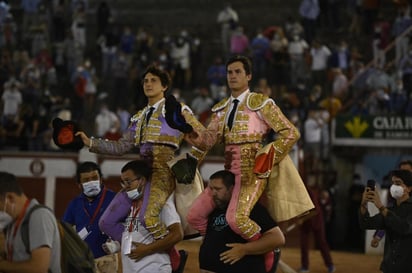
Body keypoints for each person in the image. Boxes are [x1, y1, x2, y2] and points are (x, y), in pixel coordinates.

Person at [170, 55, 312, 272]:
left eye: (238, 72)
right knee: (195, 214)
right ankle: (217, 244)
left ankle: (266, 252)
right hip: (228, 174)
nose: (233, 76)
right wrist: (188, 123)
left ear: (248, 76)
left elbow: (291, 133)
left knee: (236, 219)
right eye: (229, 72)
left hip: (252, 172)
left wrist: (269, 153)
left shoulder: (261, 103)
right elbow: (207, 140)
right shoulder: (222, 108)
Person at [75, 65, 205, 266]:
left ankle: (174, 259)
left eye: (153, 80)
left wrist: (192, 160)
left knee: (149, 218)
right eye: (145, 81)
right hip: (139, 173)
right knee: (106, 222)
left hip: (163, 171)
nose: (148, 84)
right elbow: (121, 147)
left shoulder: (177, 110)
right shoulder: (138, 117)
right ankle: (133, 245)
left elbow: (203, 139)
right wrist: (90, 142)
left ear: (164, 86)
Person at [99, 160, 186, 273]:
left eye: (128, 182)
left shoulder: (161, 204)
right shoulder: (131, 207)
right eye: (123, 183)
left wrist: (147, 249)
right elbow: (137, 236)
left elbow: (177, 234)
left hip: (155, 269)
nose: (125, 187)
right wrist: (117, 245)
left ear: (142, 180)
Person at [196, 170, 285, 273]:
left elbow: (277, 238)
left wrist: (245, 249)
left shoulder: (250, 208)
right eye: (211, 189)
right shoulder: (214, 208)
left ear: (231, 189)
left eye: (218, 189)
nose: (213, 193)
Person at [0, 171, 61, 273]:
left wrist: (2, 265)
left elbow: (39, 268)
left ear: (10, 198)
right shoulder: (14, 222)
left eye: (0, 207)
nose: (2, 212)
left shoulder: (39, 216)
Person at [62, 161, 118, 273]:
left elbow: (132, 223)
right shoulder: (74, 204)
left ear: (101, 179)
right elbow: (64, 232)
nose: (91, 182)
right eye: (86, 180)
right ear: (79, 185)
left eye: (94, 178)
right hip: (83, 263)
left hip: (109, 261)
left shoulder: (115, 199)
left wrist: (118, 245)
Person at [359, 169, 412, 273]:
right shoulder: (390, 210)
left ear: (409, 188)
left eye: (398, 183)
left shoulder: (388, 211)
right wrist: (363, 204)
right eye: (393, 183)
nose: (394, 186)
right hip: (389, 267)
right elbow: (366, 223)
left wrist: (381, 207)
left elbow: (404, 227)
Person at [370, 159, 412, 248]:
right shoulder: (395, 193)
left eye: (407, 171)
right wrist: (378, 236)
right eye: (401, 171)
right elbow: (389, 215)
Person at [298, 175, 335, 273]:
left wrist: (302, 219)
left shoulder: (309, 192)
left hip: (316, 221)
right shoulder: (296, 194)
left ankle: (330, 265)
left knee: (321, 243)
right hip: (305, 223)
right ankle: (305, 267)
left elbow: (316, 210)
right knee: (304, 245)